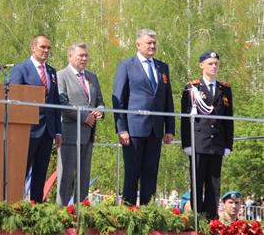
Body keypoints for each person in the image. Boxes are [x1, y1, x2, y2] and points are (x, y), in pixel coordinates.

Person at [112, 29, 175, 206]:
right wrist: (121, 128)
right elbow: (119, 98)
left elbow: (166, 99)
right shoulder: (126, 66)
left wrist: (169, 128)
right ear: (138, 44)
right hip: (133, 130)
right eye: (149, 43)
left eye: (154, 42)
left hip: (156, 129)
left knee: (150, 172)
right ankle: (128, 213)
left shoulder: (162, 67)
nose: (153, 45)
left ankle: (148, 213)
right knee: (132, 172)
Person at [181, 51, 234, 219]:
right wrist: (187, 143)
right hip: (198, 142)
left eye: (216, 63)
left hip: (217, 143)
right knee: (197, 183)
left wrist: (227, 145)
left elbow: (228, 119)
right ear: (201, 65)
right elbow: (185, 118)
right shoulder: (192, 88)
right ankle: (197, 219)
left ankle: (212, 220)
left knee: (214, 184)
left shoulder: (224, 89)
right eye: (210, 63)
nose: (214, 66)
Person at [10, 35, 62, 203]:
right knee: (21, 173)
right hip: (28, 130)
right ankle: (15, 207)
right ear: (33, 48)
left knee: (40, 174)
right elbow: (14, 98)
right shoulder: (21, 69)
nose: (46, 51)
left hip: (47, 131)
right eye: (42, 47)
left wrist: (58, 132)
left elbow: (55, 103)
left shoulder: (52, 72)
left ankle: (36, 210)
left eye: (48, 48)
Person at [56, 42, 105, 206]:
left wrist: (100, 110)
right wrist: (84, 117)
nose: (84, 58)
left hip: (88, 135)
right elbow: (61, 102)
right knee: (66, 178)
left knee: (84, 178)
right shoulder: (61, 76)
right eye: (80, 55)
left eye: (86, 55)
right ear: (70, 56)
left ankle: (80, 215)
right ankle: (61, 216)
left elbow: (99, 101)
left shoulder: (92, 77)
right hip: (69, 134)